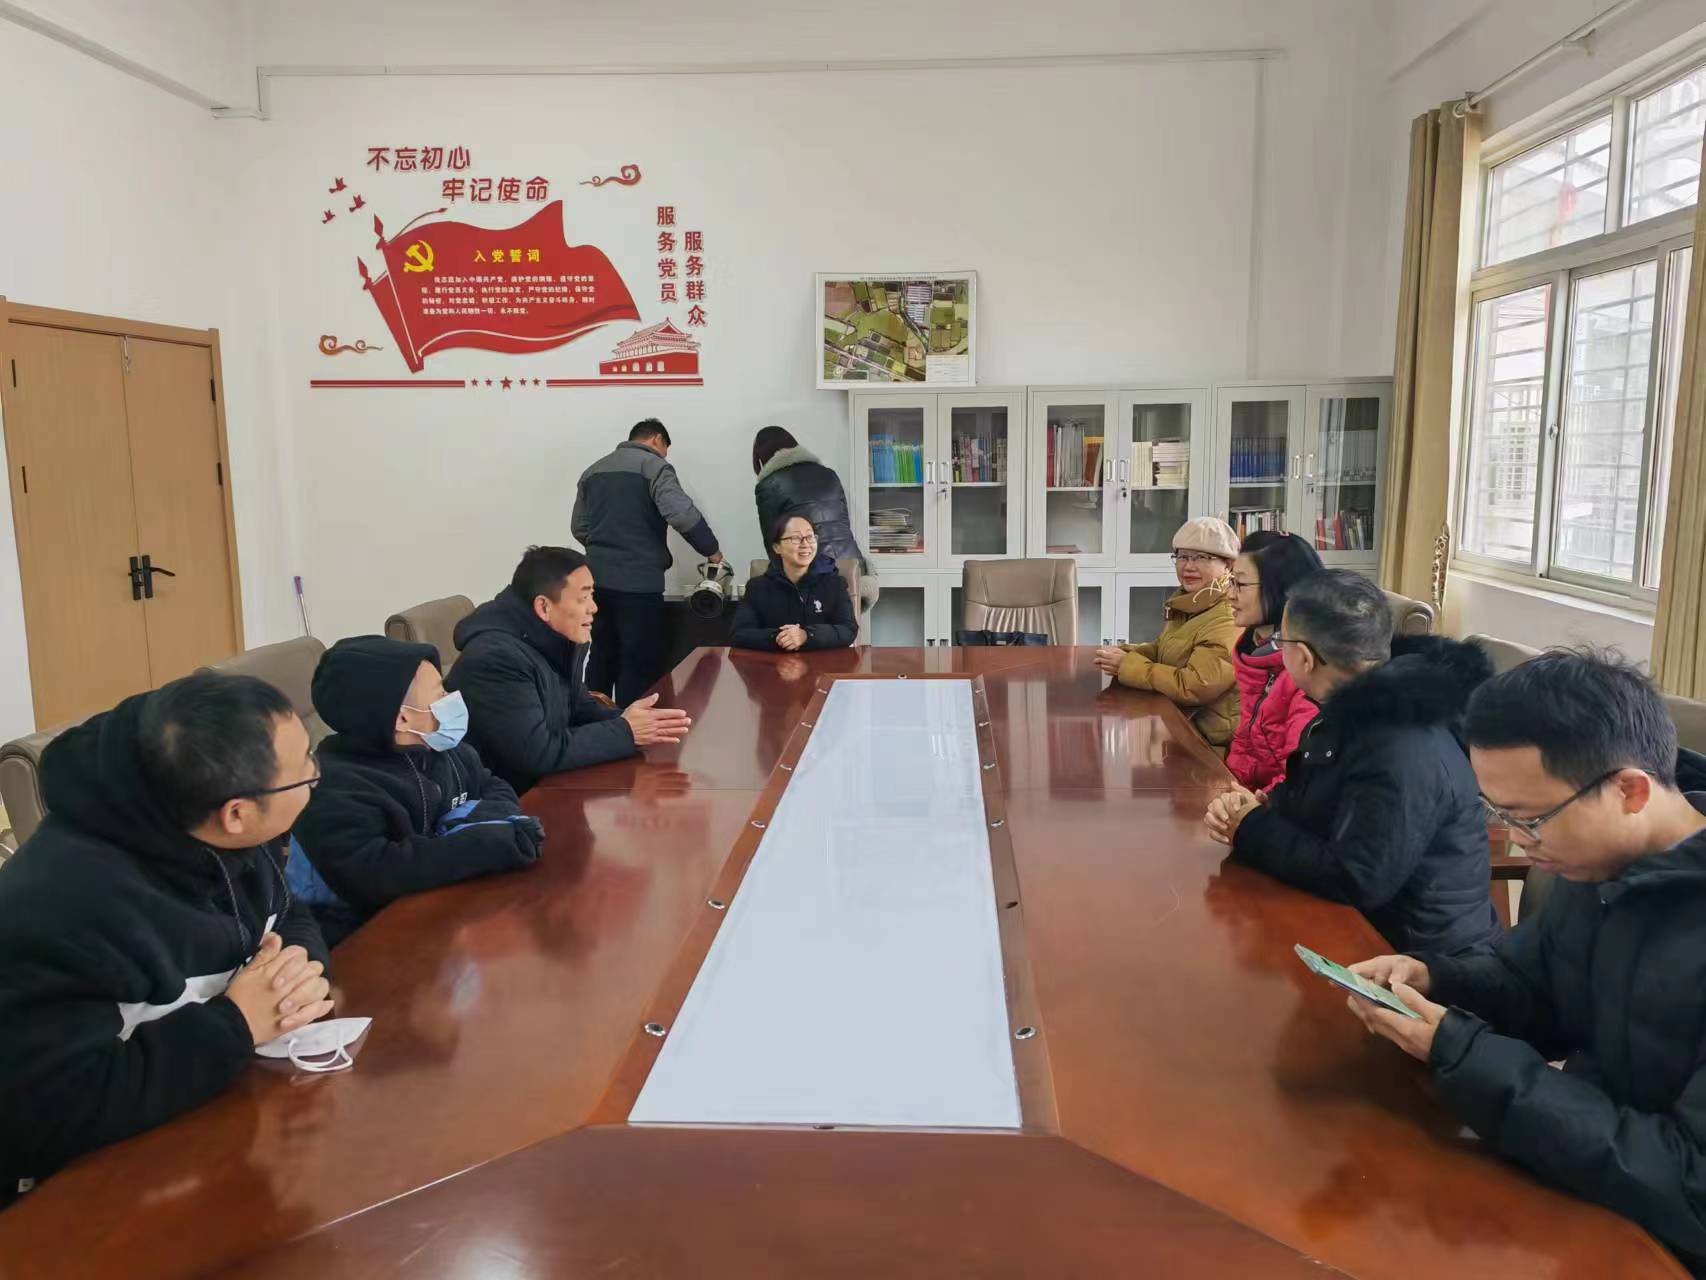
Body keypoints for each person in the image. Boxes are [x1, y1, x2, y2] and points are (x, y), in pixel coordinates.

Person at [1345, 651, 1706, 1276]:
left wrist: (1464, 1054)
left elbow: (1690, 1186)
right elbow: (1534, 987)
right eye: (1500, 813)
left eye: (1531, 819)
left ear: (1630, 790)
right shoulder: (1598, 864)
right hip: (1582, 1185)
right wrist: (1437, 978)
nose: (1515, 841)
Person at [0, 673, 333, 1204]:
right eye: (304, 769)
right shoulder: (60, 911)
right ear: (236, 814)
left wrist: (298, 969)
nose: (316, 774)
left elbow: (285, 913)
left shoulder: (229, 825)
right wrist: (236, 1024)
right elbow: (51, 1113)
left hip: (222, 1119)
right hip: (87, 1197)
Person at [1205, 570, 1500, 955]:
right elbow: (1337, 807)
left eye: (1281, 641)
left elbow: (1359, 878)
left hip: (1419, 959)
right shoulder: (1364, 706)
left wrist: (1253, 829)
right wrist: (1268, 810)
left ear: (1304, 658)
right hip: (1362, 927)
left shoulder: (1399, 741)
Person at [290, 636, 544, 947]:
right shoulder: (332, 788)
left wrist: (464, 826)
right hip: (358, 938)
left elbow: (493, 785)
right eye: (440, 694)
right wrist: (481, 841)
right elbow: (377, 873)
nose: (451, 698)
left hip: (442, 904)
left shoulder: (440, 747)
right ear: (402, 718)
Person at [447, 545, 692, 794]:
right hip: (504, 800)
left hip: (548, 786)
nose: (594, 607)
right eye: (583, 598)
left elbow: (579, 708)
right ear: (544, 607)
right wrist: (626, 732)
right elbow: (537, 753)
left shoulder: (556, 638)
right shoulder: (496, 659)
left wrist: (642, 724)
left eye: (592, 595)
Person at [572, 418, 723, 705]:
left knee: (602, 654)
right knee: (638, 660)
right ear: (657, 439)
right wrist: (712, 551)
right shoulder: (654, 467)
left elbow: (579, 527)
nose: (665, 455)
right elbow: (682, 514)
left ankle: (594, 721)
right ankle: (633, 727)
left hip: (597, 582)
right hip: (639, 584)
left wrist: (605, 550)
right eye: (665, 449)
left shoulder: (593, 471)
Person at [1093, 517, 1240, 751]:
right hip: (1176, 727)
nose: (1188, 567)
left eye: (1201, 557)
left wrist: (1127, 665)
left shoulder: (1228, 616)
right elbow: (1164, 649)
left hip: (1207, 744)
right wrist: (1126, 653)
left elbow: (1194, 686)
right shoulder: (1192, 601)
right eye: (1182, 556)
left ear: (1229, 565)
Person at [1225, 533, 1323, 791]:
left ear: (1281, 588)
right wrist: (1225, 786)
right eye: (1231, 581)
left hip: (1279, 803)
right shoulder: (1255, 650)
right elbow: (1245, 743)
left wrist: (1247, 807)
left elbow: (1296, 778)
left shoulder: (1309, 669)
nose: (1229, 594)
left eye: (1240, 584)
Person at [751, 425, 876, 608]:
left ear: (762, 458)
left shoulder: (769, 485)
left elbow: (774, 544)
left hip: (813, 576)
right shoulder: (829, 474)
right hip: (855, 570)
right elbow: (843, 523)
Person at [732, 515, 858, 652]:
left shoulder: (834, 584)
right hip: (773, 663)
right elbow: (739, 634)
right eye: (796, 538)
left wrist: (807, 636)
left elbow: (848, 630)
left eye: (810, 537)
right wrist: (780, 637)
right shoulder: (757, 587)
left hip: (823, 663)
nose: (805, 544)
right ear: (777, 547)